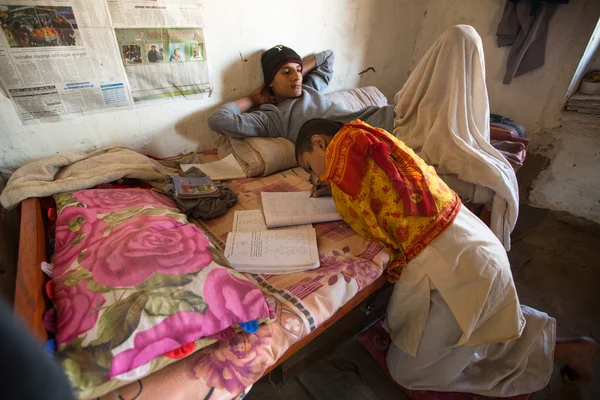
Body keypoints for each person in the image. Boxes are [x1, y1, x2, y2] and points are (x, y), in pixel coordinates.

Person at [295, 117, 598, 396]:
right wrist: (333, 186)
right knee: (446, 323)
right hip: (463, 246)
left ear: (321, 142)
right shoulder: (368, 139)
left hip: (459, 264)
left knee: (407, 371)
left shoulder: (349, 141)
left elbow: (357, 188)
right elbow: (377, 192)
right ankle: (552, 341)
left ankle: (558, 350)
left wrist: (333, 184)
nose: (316, 178)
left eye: (311, 168)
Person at [208, 27, 519, 250]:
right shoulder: (275, 115)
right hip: (396, 138)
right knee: (460, 43)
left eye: (297, 70)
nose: (296, 76)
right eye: (285, 73)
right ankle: (481, 141)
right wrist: (255, 97)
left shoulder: (313, 87)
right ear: (270, 84)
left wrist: (300, 67)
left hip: (398, 114)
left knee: (457, 44)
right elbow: (219, 120)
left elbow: (328, 57)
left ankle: (479, 137)